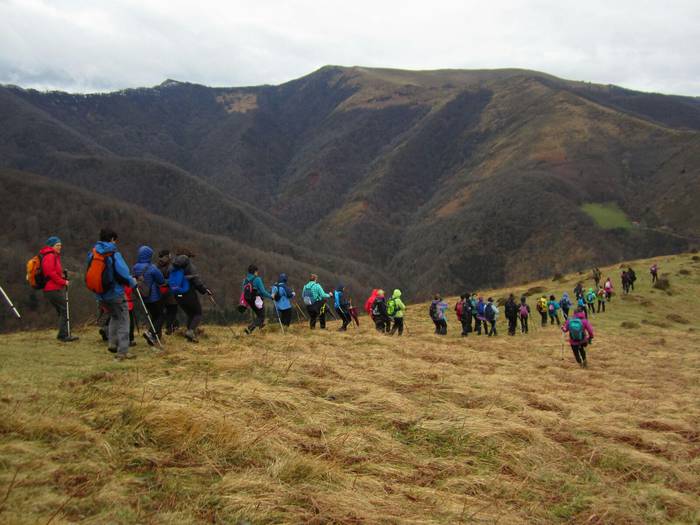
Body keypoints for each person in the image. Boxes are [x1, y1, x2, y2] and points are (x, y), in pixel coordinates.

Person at [87, 228, 137, 360]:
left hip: (100, 294)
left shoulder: (93, 253)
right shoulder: (113, 254)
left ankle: (112, 344)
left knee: (114, 316)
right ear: (112, 239)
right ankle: (122, 352)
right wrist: (132, 282)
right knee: (124, 320)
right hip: (115, 293)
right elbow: (123, 273)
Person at [40, 236, 78, 342]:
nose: (60, 247)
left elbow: (54, 272)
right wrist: (63, 282)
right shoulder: (50, 256)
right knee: (64, 310)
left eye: (60, 245)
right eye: (57, 245)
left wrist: (62, 276)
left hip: (53, 288)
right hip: (52, 288)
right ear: (51, 246)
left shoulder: (52, 256)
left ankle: (64, 333)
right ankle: (63, 335)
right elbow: (50, 273)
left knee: (61, 310)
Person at [168, 248, 211, 342]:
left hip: (177, 295)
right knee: (198, 313)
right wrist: (205, 290)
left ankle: (190, 336)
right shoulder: (190, 266)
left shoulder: (172, 266)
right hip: (188, 294)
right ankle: (190, 332)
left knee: (191, 314)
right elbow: (197, 282)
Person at [132, 245, 165, 345]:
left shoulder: (135, 267)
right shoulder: (152, 268)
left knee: (154, 316)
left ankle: (155, 338)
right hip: (154, 297)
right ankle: (150, 333)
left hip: (142, 296)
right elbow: (161, 280)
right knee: (161, 316)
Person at [242, 264, 274, 334]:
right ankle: (249, 328)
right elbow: (263, 292)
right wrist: (271, 296)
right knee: (261, 317)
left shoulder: (245, 280)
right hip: (257, 300)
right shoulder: (257, 279)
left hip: (249, 300)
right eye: (257, 271)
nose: (257, 273)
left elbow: (243, 291)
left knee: (259, 316)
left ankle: (259, 330)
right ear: (255, 271)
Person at [157, 250, 179, 334]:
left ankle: (172, 326)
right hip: (170, 292)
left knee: (164, 311)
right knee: (172, 310)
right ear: (167, 256)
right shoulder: (171, 266)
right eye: (169, 255)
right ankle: (170, 328)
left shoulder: (156, 266)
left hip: (159, 292)